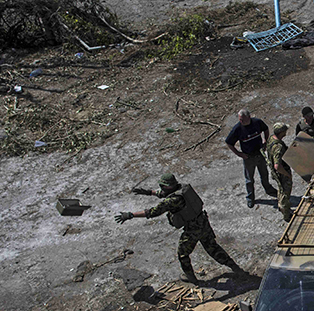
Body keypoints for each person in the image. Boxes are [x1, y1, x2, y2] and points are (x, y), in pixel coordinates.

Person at [115, 173, 243, 284]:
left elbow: (153, 212)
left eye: (162, 186)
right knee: (213, 248)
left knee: (183, 254)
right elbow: (165, 193)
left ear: (167, 186)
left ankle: (192, 278)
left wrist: (131, 215)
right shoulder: (182, 188)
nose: (161, 188)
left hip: (192, 230)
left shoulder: (172, 200)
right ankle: (235, 268)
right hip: (203, 222)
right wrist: (149, 193)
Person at [225, 109, 278, 208]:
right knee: (249, 179)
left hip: (259, 153)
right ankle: (250, 197)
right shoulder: (237, 129)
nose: (241, 121)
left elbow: (265, 129)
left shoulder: (257, 122)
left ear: (249, 117)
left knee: (264, 173)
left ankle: (269, 189)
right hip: (248, 157)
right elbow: (229, 142)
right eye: (240, 119)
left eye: (243, 120)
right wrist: (239, 154)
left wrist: (265, 141)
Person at [266, 123, 293, 222]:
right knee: (285, 193)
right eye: (284, 131)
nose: (286, 132)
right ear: (281, 132)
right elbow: (277, 166)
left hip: (275, 173)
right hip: (282, 173)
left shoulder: (271, 139)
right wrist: (287, 174)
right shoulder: (278, 147)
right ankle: (286, 215)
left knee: (280, 189)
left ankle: (281, 205)